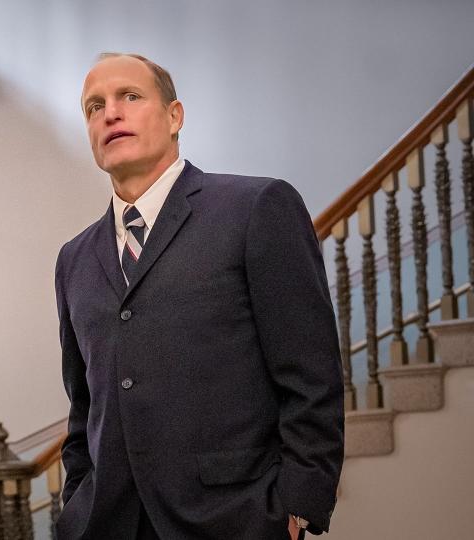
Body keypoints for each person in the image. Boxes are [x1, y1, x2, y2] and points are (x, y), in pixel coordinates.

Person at [53, 53, 344, 539]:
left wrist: (297, 506)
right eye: (93, 106)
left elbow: (311, 376)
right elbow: (83, 407)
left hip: (237, 518)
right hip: (107, 523)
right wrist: (78, 497)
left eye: (130, 96)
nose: (110, 113)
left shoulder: (256, 209)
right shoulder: (73, 259)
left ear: (174, 116)